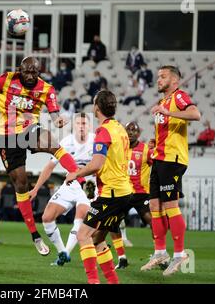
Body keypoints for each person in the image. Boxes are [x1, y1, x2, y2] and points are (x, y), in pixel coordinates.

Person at [0, 56, 86, 256]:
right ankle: (35, 235)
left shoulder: (46, 89)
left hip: (30, 128)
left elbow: (54, 114)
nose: (29, 76)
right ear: (20, 69)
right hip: (7, 136)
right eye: (26, 71)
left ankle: (82, 179)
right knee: (21, 184)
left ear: (39, 72)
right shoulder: (6, 79)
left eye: (34, 72)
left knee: (54, 145)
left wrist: (58, 121)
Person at [65, 90, 132, 284]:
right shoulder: (119, 128)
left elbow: (97, 164)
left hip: (112, 194)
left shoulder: (103, 131)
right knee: (97, 238)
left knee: (83, 234)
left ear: (96, 107)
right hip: (124, 192)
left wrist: (76, 173)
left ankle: (93, 282)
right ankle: (112, 281)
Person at [141, 65, 200, 276]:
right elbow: (167, 129)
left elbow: (195, 113)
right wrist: (154, 141)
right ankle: (160, 253)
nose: (158, 80)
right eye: (158, 76)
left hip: (172, 160)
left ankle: (179, 254)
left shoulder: (179, 96)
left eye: (163, 77)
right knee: (155, 205)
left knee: (171, 205)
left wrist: (169, 112)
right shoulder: (162, 102)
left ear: (174, 81)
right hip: (159, 158)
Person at [29, 113, 94, 266]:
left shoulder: (96, 140)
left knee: (81, 214)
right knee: (46, 217)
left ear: (90, 126)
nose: (81, 126)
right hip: (70, 184)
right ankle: (61, 252)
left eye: (84, 123)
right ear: (74, 126)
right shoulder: (66, 141)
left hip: (89, 186)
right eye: (78, 123)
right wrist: (36, 188)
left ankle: (65, 254)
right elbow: (50, 166)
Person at [91, 121, 153, 270]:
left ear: (139, 133)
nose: (131, 132)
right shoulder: (120, 148)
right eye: (128, 130)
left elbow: (157, 163)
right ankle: (122, 258)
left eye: (134, 130)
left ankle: (159, 253)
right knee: (113, 224)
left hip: (140, 193)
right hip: (123, 192)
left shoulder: (146, 150)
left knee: (153, 221)